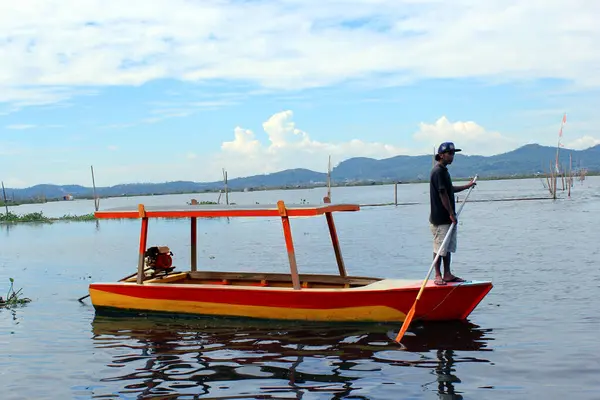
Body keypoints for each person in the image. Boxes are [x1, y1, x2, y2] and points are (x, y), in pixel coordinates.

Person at [429, 142, 476, 285]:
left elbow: (450, 189)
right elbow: (443, 193)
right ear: (441, 155)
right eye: (450, 153)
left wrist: (467, 186)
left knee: (447, 247)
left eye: (453, 153)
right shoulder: (437, 171)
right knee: (439, 247)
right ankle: (438, 275)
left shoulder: (444, 171)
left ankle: (447, 274)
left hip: (448, 218)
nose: (452, 156)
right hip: (440, 218)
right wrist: (450, 213)